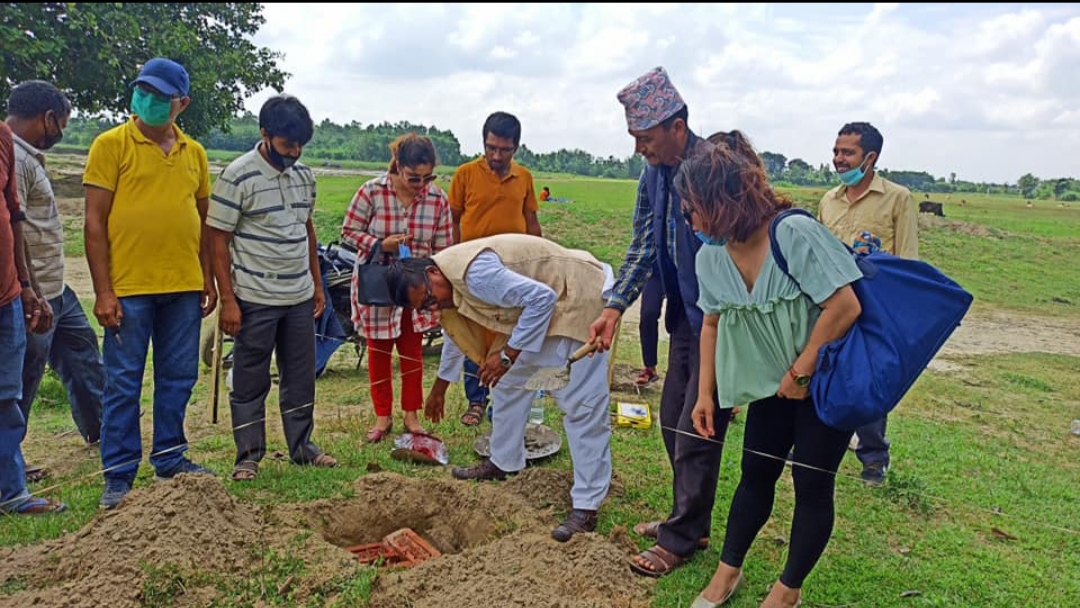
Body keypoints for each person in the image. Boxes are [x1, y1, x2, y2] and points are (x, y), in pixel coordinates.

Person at [678, 146, 863, 608]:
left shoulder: (793, 233)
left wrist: (801, 371)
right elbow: (711, 324)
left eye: (692, 208)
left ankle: (786, 591)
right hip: (769, 386)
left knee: (811, 485)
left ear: (722, 200)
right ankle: (727, 573)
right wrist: (705, 394)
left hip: (824, 385)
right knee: (755, 474)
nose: (689, 221)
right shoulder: (710, 257)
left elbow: (844, 306)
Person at [589, 66, 731, 577]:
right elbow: (644, 245)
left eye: (645, 138)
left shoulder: (715, 168)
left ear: (677, 126)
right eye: (634, 138)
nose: (638, 149)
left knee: (698, 425)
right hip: (688, 321)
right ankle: (690, 519)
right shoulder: (653, 174)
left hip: (723, 320)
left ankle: (682, 536)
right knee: (673, 418)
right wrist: (614, 307)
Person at [388, 234, 612, 543]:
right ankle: (504, 460)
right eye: (424, 307)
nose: (433, 306)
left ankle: (586, 505)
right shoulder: (447, 286)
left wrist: (507, 355)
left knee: (581, 406)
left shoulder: (475, 275)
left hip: (578, 298)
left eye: (429, 299)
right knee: (506, 382)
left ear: (432, 272)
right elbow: (456, 332)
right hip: (543, 309)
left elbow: (542, 298)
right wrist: (440, 388)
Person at [83, 57, 217, 509]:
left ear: (182, 104)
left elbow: (203, 221)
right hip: (128, 289)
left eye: (160, 96)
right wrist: (104, 291)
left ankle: (170, 457)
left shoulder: (194, 153)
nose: (148, 100)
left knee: (178, 377)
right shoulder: (111, 145)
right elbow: (94, 222)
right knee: (123, 383)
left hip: (183, 287)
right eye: (143, 91)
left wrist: (207, 278)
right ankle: (119, 474)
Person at [207, 94, 337, 481]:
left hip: (298, 296)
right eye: (287, 144)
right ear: (265, 134)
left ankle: (302, 447)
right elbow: (218, 240)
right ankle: (248, 456)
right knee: (250, 379)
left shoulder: (305, 176)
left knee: (300, 377)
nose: (294, 152)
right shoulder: (237, 175)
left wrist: (317, 285)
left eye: (300, 146)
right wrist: (228, 301)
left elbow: (307, 230)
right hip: (254, 298)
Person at [7, 80, 105, 485]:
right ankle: (8, 464)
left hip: (57, 287)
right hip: (32, 294)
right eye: (61, 124)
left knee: (83, 351)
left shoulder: (28, 156)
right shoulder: (13, 158)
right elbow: (14, 230)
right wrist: (28, 290)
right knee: (22, 379)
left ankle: (103, 430)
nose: (60, 132)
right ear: (48, 118)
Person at [817, 121, 918, 486]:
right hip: (831, 302)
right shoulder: (828, 201)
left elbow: (907, 260)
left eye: (848, 152)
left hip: (874, 304)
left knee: (869, 378)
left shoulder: (897, 199)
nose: (838, 159)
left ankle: (873, 457)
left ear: (870, 157)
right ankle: (815, 443)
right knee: (824, 367)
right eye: (836, 151)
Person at [341, 133, 452, 443]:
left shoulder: (438, 199)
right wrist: (380, 244)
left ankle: (411, 415)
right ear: (398, 166)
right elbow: (348, 231)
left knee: (412, 351)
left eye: (427, 177)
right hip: (378, 283)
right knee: (378, 350)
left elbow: (444, 247)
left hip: (417, 289)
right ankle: (382, 416)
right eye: (413, 177)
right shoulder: (371, 191)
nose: (421, 184)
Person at [441, 111, 541, 427]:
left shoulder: (524, 178)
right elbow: (454, 220)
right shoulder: (465, 174)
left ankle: (504, 404)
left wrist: (538, 262)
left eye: (504, 150)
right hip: (472, 271)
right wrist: (453, 264)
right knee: (475, 335)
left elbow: (532, 222)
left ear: (516, 148)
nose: (497, 156)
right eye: (491, 148)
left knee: (507, 334)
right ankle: (476, 401)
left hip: (512, 273)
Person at [0, 119, 67, 515]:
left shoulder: (2, 138)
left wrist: (27, 286)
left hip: (7, 293)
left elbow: (14, 215)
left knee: (6, 396)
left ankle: (11, 492)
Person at [634, 260, 663, 387]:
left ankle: (679, 370)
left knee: (678, 320)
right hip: (656, 270)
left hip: (683, 269)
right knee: (648, 314)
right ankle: (650, 367)